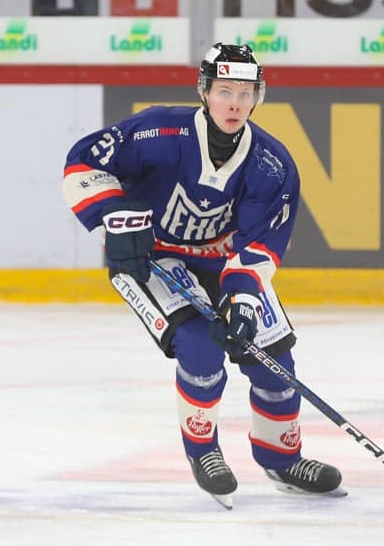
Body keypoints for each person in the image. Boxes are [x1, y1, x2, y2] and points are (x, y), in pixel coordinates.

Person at [61, 43, 343, 509]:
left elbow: (259, 245)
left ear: (258, 97)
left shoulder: (271, 164)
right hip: (151, 258)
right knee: (200, 347)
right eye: (224, 91)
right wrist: (116, 218)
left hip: (222, 263)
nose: (234, 103)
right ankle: (204, 450)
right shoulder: (158, 131)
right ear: (204, 91)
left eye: (245, 93)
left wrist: (243, 300)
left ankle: (282, 458)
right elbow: (84, 162)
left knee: (273, 361)